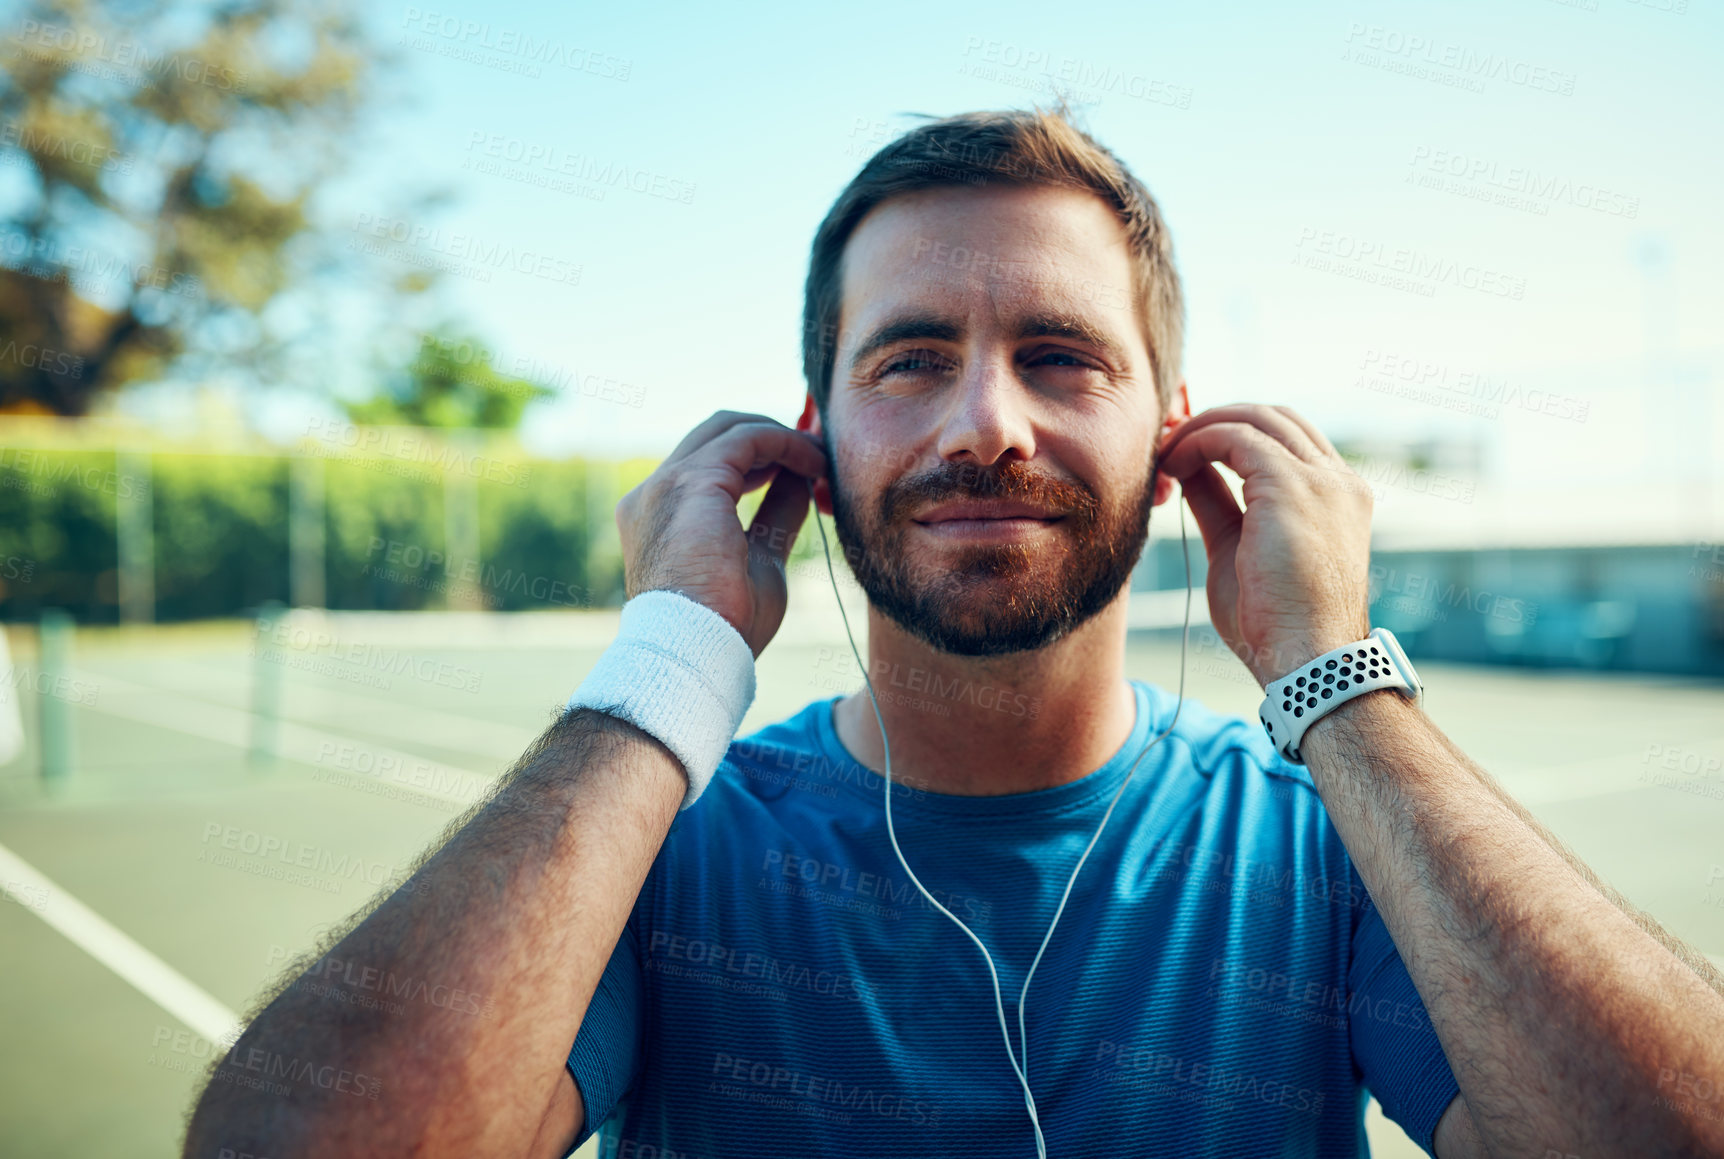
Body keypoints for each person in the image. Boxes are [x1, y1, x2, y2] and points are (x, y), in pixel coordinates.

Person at [183, 107, 1724, 1159]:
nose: (988, 424)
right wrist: (670, 653)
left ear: (1178, 440)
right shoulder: (662, 858)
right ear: (810, 437)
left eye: (1060, 356)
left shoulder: (1332, 848)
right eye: (911, 359)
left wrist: (1342, 690)